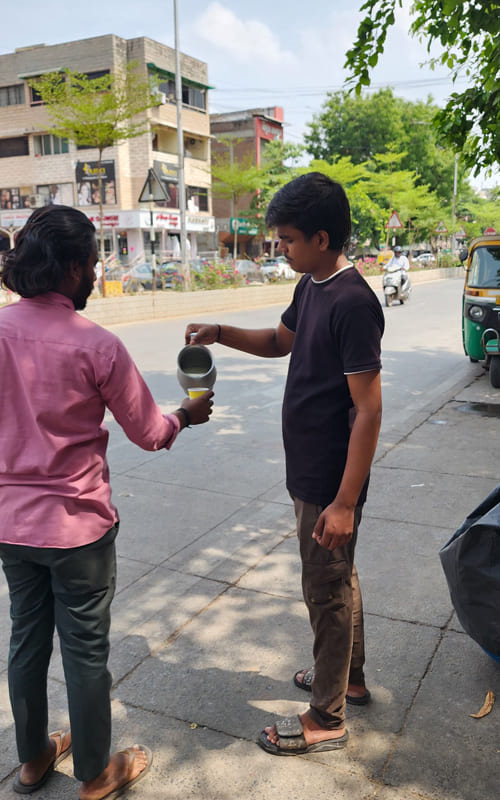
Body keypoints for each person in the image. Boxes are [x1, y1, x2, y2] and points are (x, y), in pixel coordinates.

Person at [0, 205, 214, 798]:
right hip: (78, 530)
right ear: (72, 268)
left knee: (25, 640)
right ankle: (95, 773)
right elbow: (150, 432)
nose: (97, 274)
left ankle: (32, 759)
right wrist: (186, 415)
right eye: (94, 263)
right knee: (85, 653)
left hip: (10, 527)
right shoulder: (97, 345)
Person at [185, 172, 384, 756]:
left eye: (289, 239)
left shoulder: (353, 302)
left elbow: (369, 409)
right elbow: (279, 342)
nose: (281, 248)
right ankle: (348, 679)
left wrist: (343, 502)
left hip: (330, 480)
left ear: (321, 238)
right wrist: (220, 332)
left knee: (325, 590)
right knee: (338, 578)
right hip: (312, 471)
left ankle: (327, 716)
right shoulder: (312, 285)